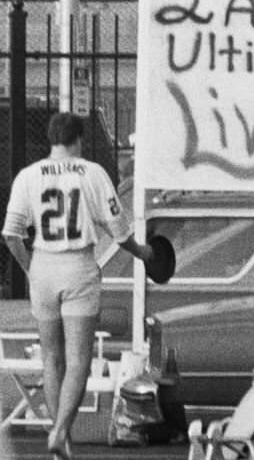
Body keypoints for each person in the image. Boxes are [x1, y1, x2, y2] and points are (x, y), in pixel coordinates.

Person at [2, 112, 154, 460]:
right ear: (78, 140)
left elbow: (11, 235)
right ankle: (59, 432)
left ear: (52, 139)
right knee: (79, 360)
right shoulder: (93, 174)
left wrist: (30, 270)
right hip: (78, 267)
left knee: (51, 359)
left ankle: (61, 442)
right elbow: (121, 232)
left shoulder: (28, 176)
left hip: (42, 264)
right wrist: (143, 253)